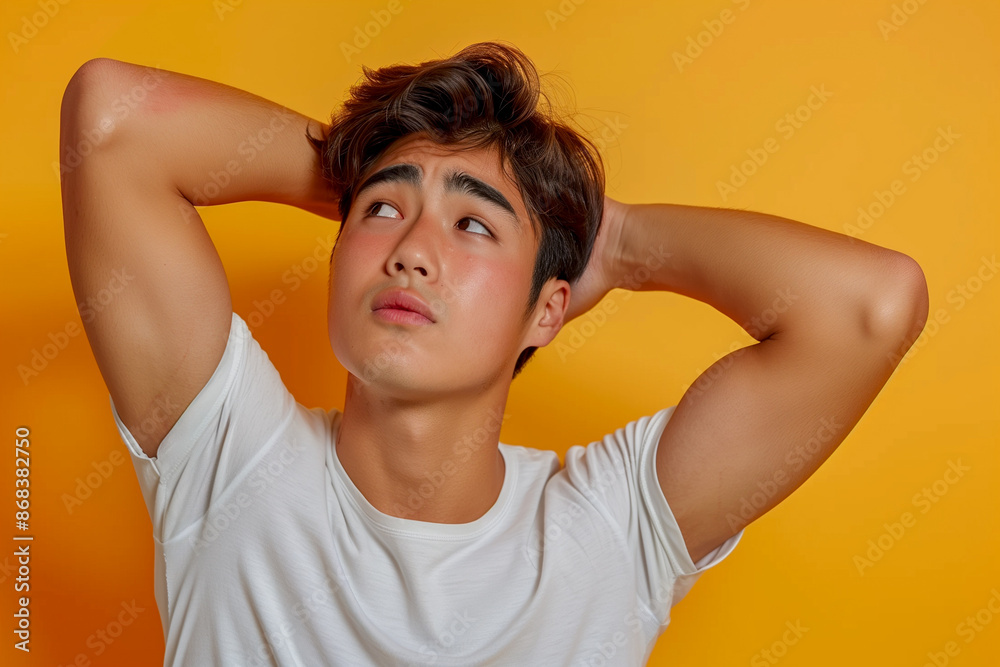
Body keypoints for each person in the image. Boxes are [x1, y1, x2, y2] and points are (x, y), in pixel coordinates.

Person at [60, 41, 928, 666]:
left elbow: (871, 306)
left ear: (549, 310)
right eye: (380, 215)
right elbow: (111, 119)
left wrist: (615, 242)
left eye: (473, 224)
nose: (412, 251)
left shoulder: (607, 531)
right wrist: (367, 171)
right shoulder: (229, 461)